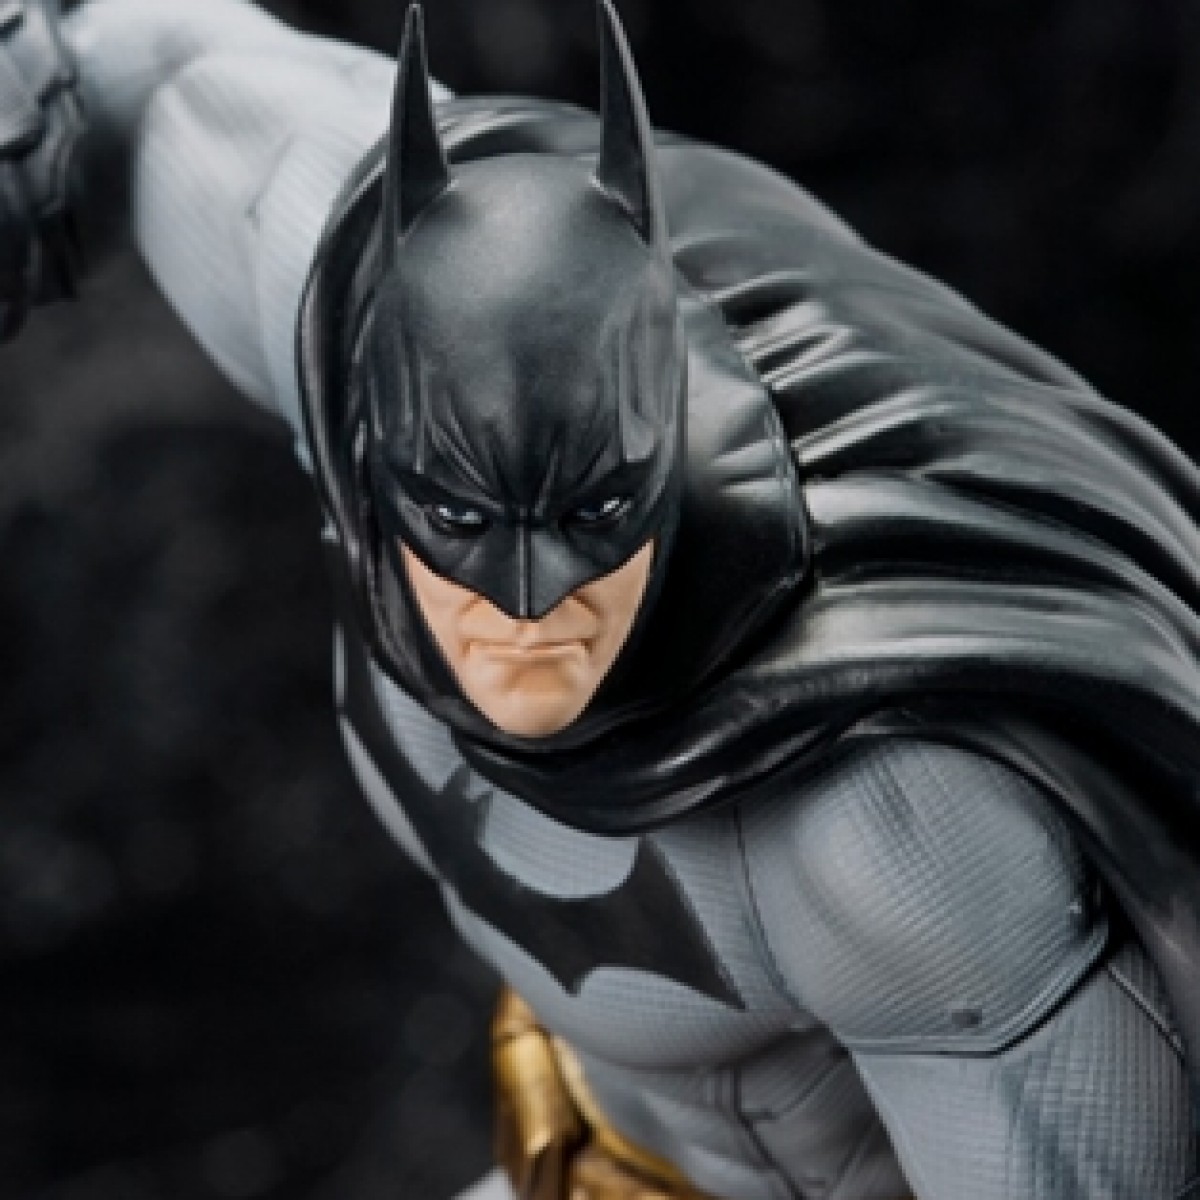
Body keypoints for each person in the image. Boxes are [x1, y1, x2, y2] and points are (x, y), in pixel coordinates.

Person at [3, 1, 1199, 1197]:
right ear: (377, 436)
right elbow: (94, 64)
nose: (526, 608)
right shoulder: (322, 273)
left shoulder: (900, 829)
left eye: (593, 517)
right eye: (459, 518)